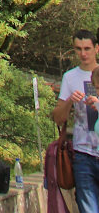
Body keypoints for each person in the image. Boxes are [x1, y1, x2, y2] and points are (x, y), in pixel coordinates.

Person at [53, 29, 99, 213]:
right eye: (78, 49)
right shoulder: (70, 78)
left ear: (97, 48)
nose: (83, 53)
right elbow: (57, 117)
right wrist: (70, 101)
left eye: (87, 48)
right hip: (83, 154)